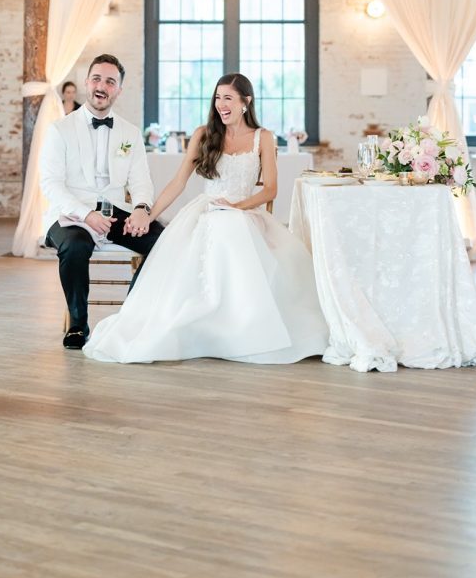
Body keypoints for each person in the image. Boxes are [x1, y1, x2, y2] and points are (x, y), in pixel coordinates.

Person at [83, 73, 329, 364]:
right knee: (217, 228)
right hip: (208, 210)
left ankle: (241, 325)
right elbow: (178, 182)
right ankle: (201, 322)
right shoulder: (204, 134)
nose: (221, 104)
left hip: (245, 211)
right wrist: (149, 215)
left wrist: (239, 207)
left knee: (237, 229)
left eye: (228, 98)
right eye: (217, 97)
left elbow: (272, 189)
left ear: (245, 102)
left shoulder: (263, 137)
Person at [40, 53, 162, 349]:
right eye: (96, 78)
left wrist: (142, 209)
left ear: (118, 89)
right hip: (68, 214)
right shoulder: (60, 130)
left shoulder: (130, 133)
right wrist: (85, 214)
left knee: (164, 241)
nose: (101, 86)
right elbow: (51, 184)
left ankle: (130, 316)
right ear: (86, 83)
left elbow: (141, 182)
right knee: (75, 244)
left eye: (110, 81)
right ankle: (78, 327)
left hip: (114, 212)